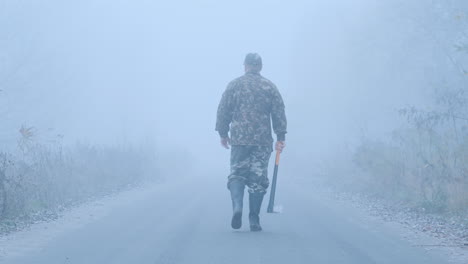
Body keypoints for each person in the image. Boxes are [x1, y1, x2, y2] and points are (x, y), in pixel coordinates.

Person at [215, 53, 287, 231]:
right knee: (258, 179)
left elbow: (223, 110)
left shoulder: (234, 85)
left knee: (237, 174)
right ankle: (254, 218)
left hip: (239, 140)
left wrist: (223, 134)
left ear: (245, 65)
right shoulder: (269, 86)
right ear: (260, 67)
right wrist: (281, 137)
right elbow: (279, 112)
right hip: (262, 142)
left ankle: (237, 206)